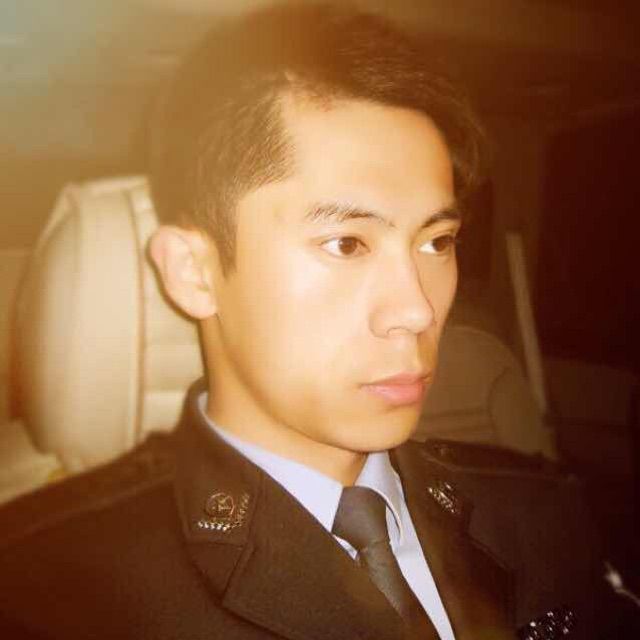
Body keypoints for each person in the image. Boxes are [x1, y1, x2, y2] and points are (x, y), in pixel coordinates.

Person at [0, 3, 609, 639]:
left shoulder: (543, 516)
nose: (418, 310)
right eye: (347, 243)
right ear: (193, 272)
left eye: (437, 241)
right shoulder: (51, 597)